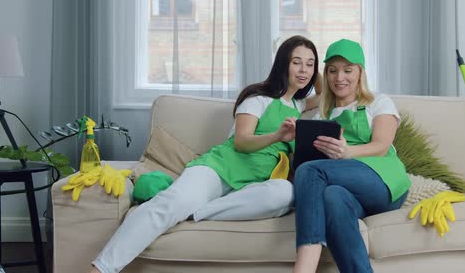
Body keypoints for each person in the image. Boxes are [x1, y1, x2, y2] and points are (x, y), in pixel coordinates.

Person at [90, 35, 321, 273]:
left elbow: (325, 93)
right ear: (283, 63)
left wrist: (318, 67)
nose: (304, 70)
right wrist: (276, 136)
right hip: (218, 169)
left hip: (249, 187)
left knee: (285, 192)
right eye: (296, 62)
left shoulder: (298, 105)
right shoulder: (258, 98)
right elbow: (241, 142)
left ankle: (195, 211)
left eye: (310, 64)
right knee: (169, 204)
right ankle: (101, 268)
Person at [292, 39, 411, 273]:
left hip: (382, 180)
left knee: (311, 170)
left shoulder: (378, 102)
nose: (340, 78)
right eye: (333, 71)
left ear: (360, 73)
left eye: (348, 70)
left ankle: (304, 267)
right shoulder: (322, 115)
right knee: (332, 197)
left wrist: (349, 152)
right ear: (326, 75)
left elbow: (381, 145)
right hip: (348, 191)